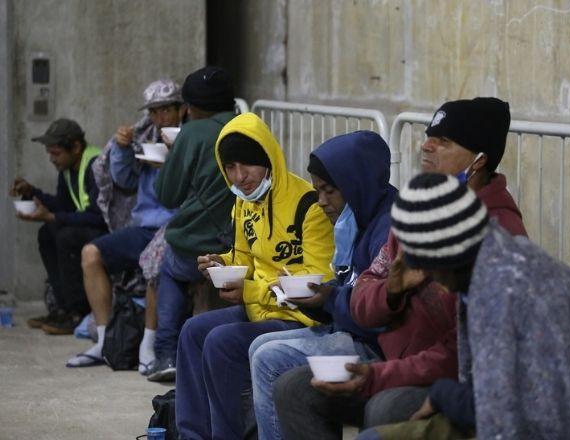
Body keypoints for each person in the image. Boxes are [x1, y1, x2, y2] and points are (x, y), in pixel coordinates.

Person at [273, 97, 528, 439]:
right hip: (391, 362)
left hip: (451, 382)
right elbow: (364, 291)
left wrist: (380, 376)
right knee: (295, 387)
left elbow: (462, 352)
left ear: (479, 160)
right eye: (429, 136)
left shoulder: (498, 236)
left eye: (444, 141)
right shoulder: (419, 208)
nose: (427, 146)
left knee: (385, 407)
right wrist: (391, 292)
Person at [361, 172, 570, 439]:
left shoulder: (505, 289)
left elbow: (541, 420)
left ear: (443, 257)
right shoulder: (492, 255)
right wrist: (446, 395)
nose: (425, 275)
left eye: (426, 264)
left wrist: (449, 397)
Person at [175, 112, 335, 440]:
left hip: (299, 318)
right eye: (230, 168)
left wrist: (250, 291)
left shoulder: (309, 206)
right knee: (193, 331)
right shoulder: (244, 202)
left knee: (221, 342)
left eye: (247, 164)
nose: (239, 176)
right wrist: (221, 263)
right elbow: (245, 257)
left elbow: (316, 281)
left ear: (268, 158)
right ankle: (193, 435)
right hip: (259, 309)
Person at [248, 130, 397, 440]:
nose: (321, 202)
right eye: (317, 191)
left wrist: (327, 299)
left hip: (377, 347)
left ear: (356, 185)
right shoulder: (356, 217)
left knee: (268, 359)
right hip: (351, 330)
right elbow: (350, 286)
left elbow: (375, 312)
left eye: (329, 191)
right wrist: (320, 299)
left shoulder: (387, 227)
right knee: (258, 345)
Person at [66, 79, 182, 367]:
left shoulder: (190, 138)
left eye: (166, 110)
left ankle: (149, 345)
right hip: (143, 226)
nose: (160, 118)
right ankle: (106, 341)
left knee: (158, 259)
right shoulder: (145, 135)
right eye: (154, 112)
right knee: (90, 254)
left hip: (175, 227)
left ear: (181, 109)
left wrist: (173, 161)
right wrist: (121, 149)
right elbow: (124, 180)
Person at [146, 66, 238, 382]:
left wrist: (174, 156)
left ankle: (166, 353)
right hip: (246, 239)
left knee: (169, 267)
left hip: (201, 242)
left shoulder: (193, 133)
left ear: (192, 106)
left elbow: (167, 195)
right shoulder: (252, 126)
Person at [11, 118, 106, 334]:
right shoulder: (68, 168)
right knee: (48, 233)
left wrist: (53, 217)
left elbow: (99, 216)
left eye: (56, 153)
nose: (52, 159)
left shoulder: (95, 165)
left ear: (75, 147)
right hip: (85, 224)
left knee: (64, 235)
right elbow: (64, 207)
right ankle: (62, 308)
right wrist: (32, 192)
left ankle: (77, 312)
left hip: (104, 227)